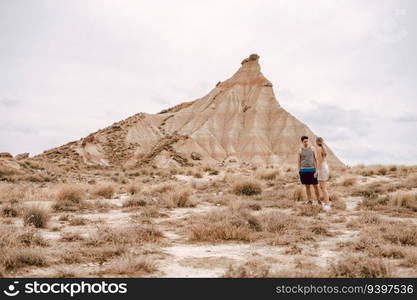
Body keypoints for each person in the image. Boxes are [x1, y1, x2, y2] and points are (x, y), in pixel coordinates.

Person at [297, 136, 320, 205]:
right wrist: (299, 170)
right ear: (302, 142)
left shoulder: (313, 149)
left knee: (315, 186)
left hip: (312, 170)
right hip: (304, 171)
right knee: (307, 187)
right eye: (305, 142)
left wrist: (316, 170)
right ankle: (310, 200)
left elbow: (316, 160)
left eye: (307, 141)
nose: (306, 143)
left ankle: (318, 200)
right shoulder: (300, 150)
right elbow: (298, 161)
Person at [316, 137, 331, 211]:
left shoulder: (319, 149)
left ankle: (327, 205)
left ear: (317, 142)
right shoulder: (324, 148)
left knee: (323, 188)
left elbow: (320, 161)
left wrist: (317, 171)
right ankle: (326, 203)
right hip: (325, 168)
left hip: (322, 168)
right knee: (322, 187)